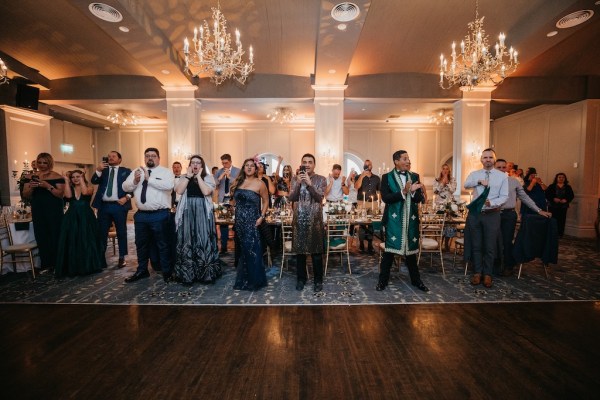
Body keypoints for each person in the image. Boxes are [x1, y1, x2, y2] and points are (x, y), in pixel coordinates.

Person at [376, 150, 429, 292]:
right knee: (389, 252)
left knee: (411, 253)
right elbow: (386, 198)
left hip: (410, 220)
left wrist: (413, 192)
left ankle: (416, 281)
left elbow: (419, 199)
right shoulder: (386, 177)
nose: (408, 161)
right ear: (396, 161)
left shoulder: (414, 176)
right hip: (393, 221)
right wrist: (404, 192)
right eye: (405, 159)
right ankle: (382, 281)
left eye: (408, 159)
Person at [122, 147, 175, 283]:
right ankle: (142, 270)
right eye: (147, 156)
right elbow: (125, 187)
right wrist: (134, 181)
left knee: (162, 244)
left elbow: (169, 186)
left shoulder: (166, 172)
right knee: (141, 244)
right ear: (144, 158)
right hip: (141, 216)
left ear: (158, 158)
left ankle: (167, 272)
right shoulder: (136, 171)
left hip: (160, 214)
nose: (150, 158)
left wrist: (149, 179)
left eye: (153, 156)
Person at [495, 159, 552, 277]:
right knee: (494, 240)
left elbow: (525, 198)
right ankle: (495, 264)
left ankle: (508, 265)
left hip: (508, 215)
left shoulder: (514, 182)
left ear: (507, 169)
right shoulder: (489, 182)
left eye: (503, 167)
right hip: (493, 215)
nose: (501, 169)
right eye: (498, 167)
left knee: (506, 240)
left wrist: (539, 210)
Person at [464, 148, 509, 288]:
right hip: (476, 214)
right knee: (476, 245)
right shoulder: (474, 174)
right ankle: (477, 273)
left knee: (490, 246)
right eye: (485, 157)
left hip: (492, 214)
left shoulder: (502, 176)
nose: (488, 159)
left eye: (490, 157)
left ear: (494, 160)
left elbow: (504, 196)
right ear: (481, 160)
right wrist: (478, 182)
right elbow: (466, 185)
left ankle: (488, 274)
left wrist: (492, 203)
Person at [173, 155, 221, 285]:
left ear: (202, 165)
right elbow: (179, 190)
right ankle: (188, 273)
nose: (195, 165)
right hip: (187, 211)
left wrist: (198, 176)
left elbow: (206, 192)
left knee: (202, 238)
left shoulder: (208, 177)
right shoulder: (184, 177)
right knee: (188, 239)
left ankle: (206, 273)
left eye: (198, 163)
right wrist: (188, 176)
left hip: (202, 211)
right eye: (193, 163)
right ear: (189, 165)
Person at [55, 170, 106, 277]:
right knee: (73, 240)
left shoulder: (90, 187)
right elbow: (68, 197)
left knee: (87, 239)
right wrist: (66, 180)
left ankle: (88, 265)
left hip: (86, 216)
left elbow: (85, 193)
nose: (75, 179)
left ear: (82, 177)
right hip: (72, 216)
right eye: (73, 177)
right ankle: (74, 266)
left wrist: (82, 180)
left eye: (78, 176)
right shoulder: (69, 187)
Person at [229, 158, 270, 290]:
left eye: (252, 166)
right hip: (239, 220)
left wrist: (262, 217)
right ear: (243, 168)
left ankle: (255, 280)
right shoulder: (238, 182)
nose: (249, 168)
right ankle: (244, 277)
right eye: (246, 165)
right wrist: (232, 206)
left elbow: (266, 201)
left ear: (255, 168)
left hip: (253, 221)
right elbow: (233, 200)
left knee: (252, 249)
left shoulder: (260, 184)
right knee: (243, 250)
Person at [289, 153, 327, 292]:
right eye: (304, 161)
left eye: (310, 162)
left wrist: (310, 185)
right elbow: (291, 198)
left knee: (317, 254)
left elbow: (319, 198)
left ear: (314, 164)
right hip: (299, 219)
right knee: (300, 254)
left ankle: (318, 281)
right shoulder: (295, 179)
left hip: (315, 220)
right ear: (301, 164)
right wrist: (299, 183)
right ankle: (301, 279)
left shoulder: (321, 179)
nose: (307, 164)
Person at [21, 153, 65, 271]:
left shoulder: (56, 176)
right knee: (41, 235)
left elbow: (60, 194)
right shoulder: (30, 176)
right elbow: (25, 195)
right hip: (38, 209)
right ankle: (46, 264)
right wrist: (32, 187)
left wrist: (47, 186)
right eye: (39, 162)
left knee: (55, 235)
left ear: (50, 163)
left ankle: (58, 264)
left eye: (45, 162)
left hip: (54, 210)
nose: (42, 165)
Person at [91, 151, 132, 269]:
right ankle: (100, 258)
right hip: (104, 206)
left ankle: (122, 257)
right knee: (101, 232)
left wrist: (127, 197)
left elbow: (133, 186)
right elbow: (93, 181)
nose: (110, 158)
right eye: (109, 156)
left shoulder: (126, 171)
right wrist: (98, 170)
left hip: (119, 205)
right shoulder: (103, 171)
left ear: (120, 159)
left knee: (121, 232)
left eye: (113, 156)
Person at [215, 154, 240, 254]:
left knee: (237, 223)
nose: (224, 165)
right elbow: (213, 183)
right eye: (222, 163)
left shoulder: (237, 171)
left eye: (226, 163)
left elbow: (240, 183)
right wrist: (220, 178)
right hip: (222, 199)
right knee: (223, 224)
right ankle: (224, 247)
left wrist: (230, 178)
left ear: (230, 161)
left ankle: (238, 246)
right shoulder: (218, 172)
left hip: (234, 200)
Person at [354, 159, 380, 254]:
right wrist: (362, 175)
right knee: (361, 224)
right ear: (363, 166)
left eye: (369, 164)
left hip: (373, 203)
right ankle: (361, 244)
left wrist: (379, 202)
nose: (367, 166)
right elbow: (356, 187)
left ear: (371, 166)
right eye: (366, 165)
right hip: (361, 202)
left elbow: (378, 191)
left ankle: (370, 244)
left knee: (371, 224)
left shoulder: (377, 178)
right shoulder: (358, 176)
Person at [433, 163, 458, 251]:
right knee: (441, 224)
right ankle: (439, 243)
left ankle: (447, 244)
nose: (445, 170)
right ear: (441, 170)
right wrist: (442, 183)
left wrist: (447, 183)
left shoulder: (453, 180)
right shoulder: (437, 179)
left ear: (449, 170)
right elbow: (435, 191)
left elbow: (452, 190)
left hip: (450, 204)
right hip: (440, 205)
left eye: (447, 169)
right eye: (443, 168)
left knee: (449, 225)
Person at [545, 172, 575, 237]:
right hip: (553, 206)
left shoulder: (568, 187)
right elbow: (547, 194)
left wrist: (566, 199)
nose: (561, 179)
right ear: (556, 178)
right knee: (553, 219)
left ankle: (560, 234)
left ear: (565, 179)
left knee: (562, 220)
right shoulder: (551, 186)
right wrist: (553, 198)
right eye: (559, 177)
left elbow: (571, 195)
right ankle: (552, 233)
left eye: (563, 177)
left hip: (563, 206)